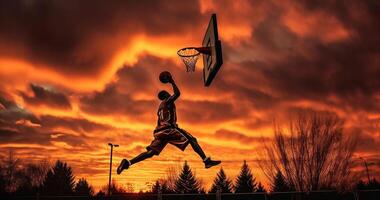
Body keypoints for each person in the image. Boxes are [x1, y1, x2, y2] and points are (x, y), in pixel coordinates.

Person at [117, 73, 221, 174]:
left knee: (150, 153)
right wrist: (171, 81)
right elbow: (177, 94)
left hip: (159, 132)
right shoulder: (167, 101)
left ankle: (128, 163)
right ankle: (206, 161)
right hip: (169, 129)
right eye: (168, 93)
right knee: (192, 139)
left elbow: (159, 122)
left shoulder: (160, 108)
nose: (170, 94)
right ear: (165, 95)